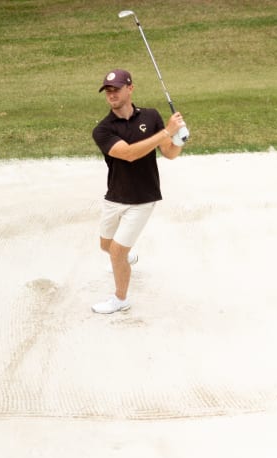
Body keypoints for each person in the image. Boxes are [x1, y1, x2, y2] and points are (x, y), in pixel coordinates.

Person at [90, 69, 187, 314]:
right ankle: (126, 257)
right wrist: (166, 131)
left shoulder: (151, 116)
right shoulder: (103, 130)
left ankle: (121, 299)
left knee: (116, 253)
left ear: (130, 89)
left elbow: (168, 153)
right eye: (108, 91)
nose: (111, 94)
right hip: (115, 196)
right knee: (106, 245)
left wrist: (178, 140)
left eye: (116, 89)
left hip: (143, 198)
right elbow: (130, 154)